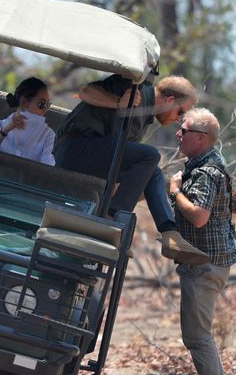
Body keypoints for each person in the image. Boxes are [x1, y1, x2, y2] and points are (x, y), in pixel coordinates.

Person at [54, 73, 208, 264]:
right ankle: (110, 222)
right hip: (74, 149)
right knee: (150, 155)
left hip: (93, 156)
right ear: (169, 101)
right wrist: (118, 101)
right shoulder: (133, 88)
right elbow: (86, 92)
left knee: (153, 171)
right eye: (180, 113)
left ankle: (170, 232)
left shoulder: (146, 117)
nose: (179, 120)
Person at [167, 108, 236, 375]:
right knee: (201, 333)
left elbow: (199, 216)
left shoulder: (207, 172)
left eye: (183, 130)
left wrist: (174, 192)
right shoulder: (206, 165)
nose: (178, 134)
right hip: (209, 262)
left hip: (205, 265)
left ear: (201, 137)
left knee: (196, 335)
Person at [0, 77, 55, 165]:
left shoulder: (48, 135)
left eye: (47, 105)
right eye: (42, 104)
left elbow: (48, 166)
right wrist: (4, 131)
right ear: (24, 101)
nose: (45, 110)